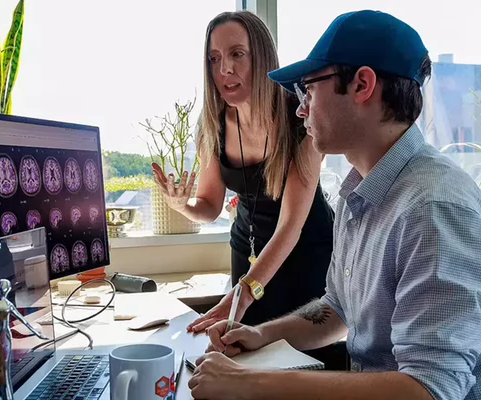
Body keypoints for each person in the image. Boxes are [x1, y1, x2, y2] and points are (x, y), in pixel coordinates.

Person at [188, 10, 481, 400]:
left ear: (362, 84)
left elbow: (430, 388)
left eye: (308, 88)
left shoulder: (433, 207)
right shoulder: (356, 196)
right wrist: (261, 334)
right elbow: (337, 311)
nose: (300, 108)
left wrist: (250, 382)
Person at [151, 11, 334, 330]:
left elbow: (290, 227)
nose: (225, 69)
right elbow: (208, 207)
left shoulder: (300, 118)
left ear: (262, 58)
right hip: (247, 252)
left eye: (237, 54)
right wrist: (183, 206)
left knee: (301, 362)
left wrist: (247, 292)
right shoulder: (213, 124)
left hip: (306, 252)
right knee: (247, 354)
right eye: (214, 58)